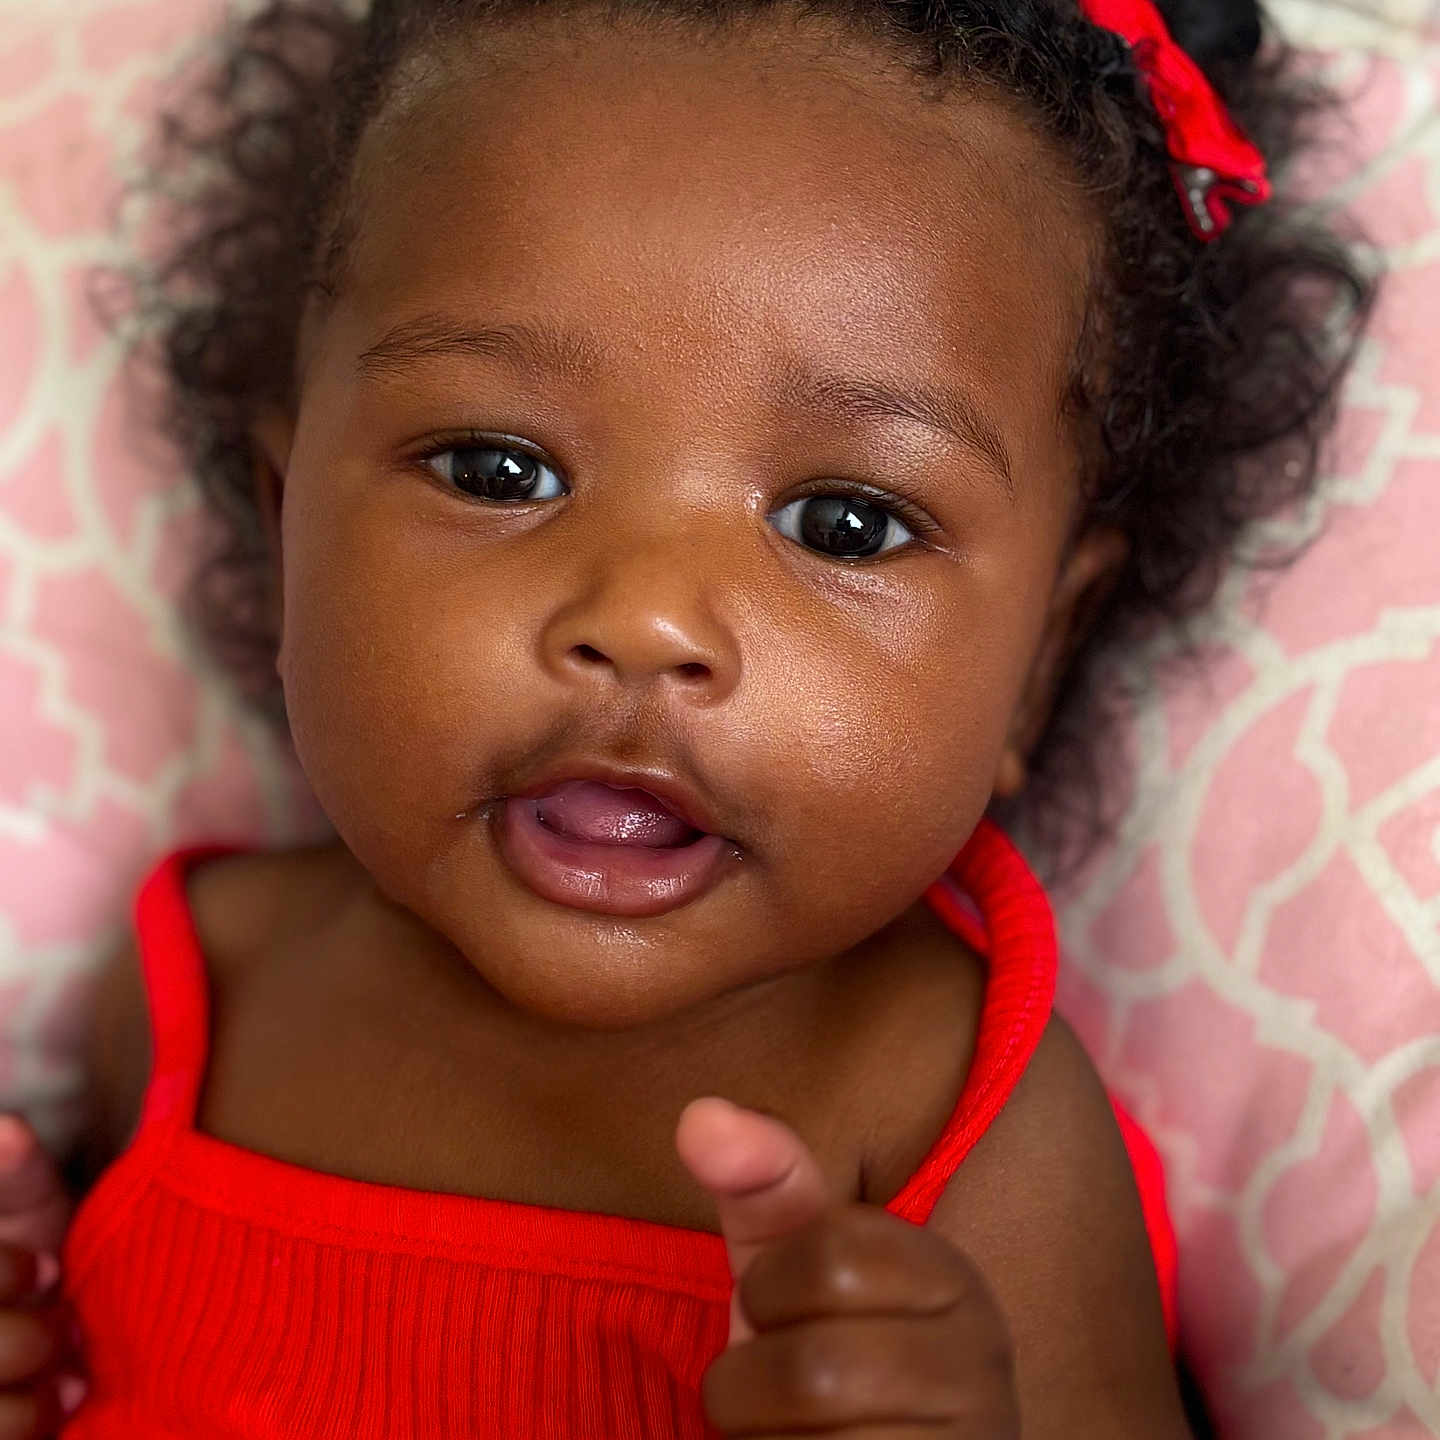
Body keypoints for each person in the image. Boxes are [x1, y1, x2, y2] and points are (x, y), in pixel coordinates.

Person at [0, 0, 1372, 1433]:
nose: (644, 615)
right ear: (292, 538)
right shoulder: (192, 993)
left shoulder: (961, 1128)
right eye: (497, 467)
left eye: (845, 522)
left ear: (1041, 655)